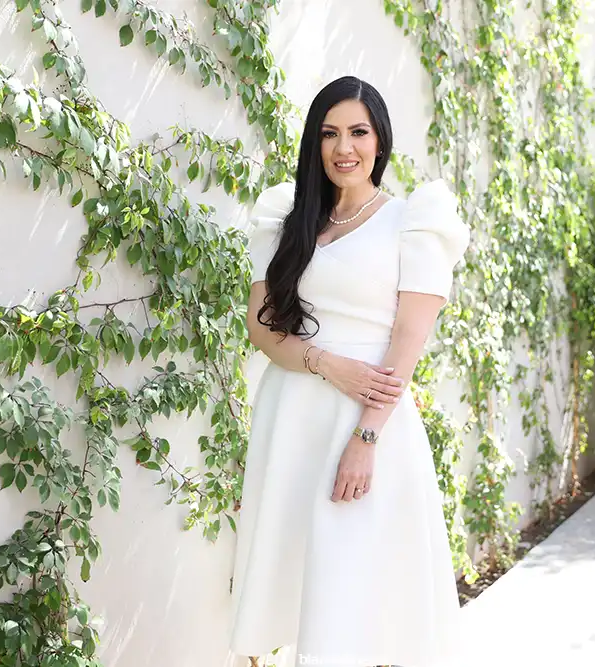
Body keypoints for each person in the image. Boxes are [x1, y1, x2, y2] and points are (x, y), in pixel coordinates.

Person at [228, 75, 469, 667]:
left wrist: (366, 439)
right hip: (293, 414)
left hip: (369, 422)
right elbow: (262, 329)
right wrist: (326, 364)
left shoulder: (413, 222)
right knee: (297, 579)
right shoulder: (288, 219)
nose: (344, 148)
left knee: (354, 582)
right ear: (314, 142)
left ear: (379, 140)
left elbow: (408, 341)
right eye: (329, 133)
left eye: (358, 132)